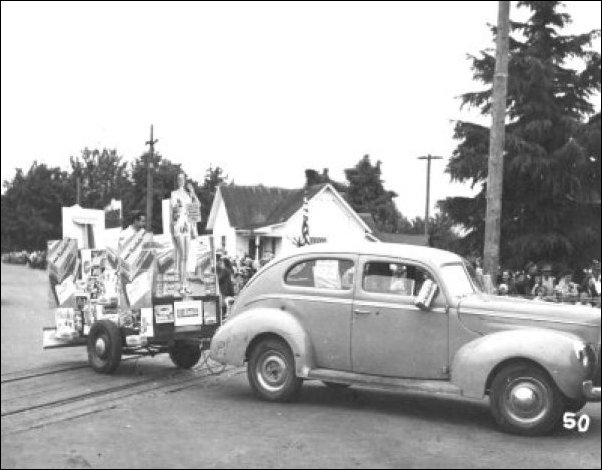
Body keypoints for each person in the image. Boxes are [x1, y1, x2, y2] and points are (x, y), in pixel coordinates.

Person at [171, 172, 200, 295]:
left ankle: (185, 283)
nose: (181, 181)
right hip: (179, 226)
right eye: (179, 179)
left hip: (187, 226)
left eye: (182, 179)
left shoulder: (189, 195)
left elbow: (196, 206)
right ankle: (182, 284)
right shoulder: (174, 194)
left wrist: (193, 192)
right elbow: (175, 210)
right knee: (182, 256)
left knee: (186, 257)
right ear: (177, 181)